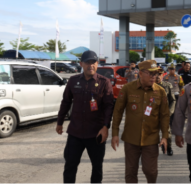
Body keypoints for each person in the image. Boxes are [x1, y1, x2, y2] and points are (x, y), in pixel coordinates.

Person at [56, 50, 114, 183]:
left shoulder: (104, 82)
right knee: (70, 166)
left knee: (97, 168)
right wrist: (59, 122)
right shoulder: (73, 80)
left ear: (97, 64)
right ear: (81, 64)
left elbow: (108, 106)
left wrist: (105, 127)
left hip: (96, 133)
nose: (91, 65)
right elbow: (66, 102)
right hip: (75, 133)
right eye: (87, 62)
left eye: (93, 62)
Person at [111, 60, 170, 183]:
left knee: (150, 171)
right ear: (140, 73)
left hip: (151, 138)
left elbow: (164, 115)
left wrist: (165, 136)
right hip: (131, 138)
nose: (154, 77)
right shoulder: (128, 89)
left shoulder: (160, 91)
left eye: (156, 74)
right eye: (151, 74)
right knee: (131, 172)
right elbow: (118, 112)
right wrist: (115, 134)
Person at [156, 67, 176, 156]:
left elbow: (173, 100)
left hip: (164, 113)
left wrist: (170, 112)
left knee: (167, 132)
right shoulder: (149, 86)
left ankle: (168, 147)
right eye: (155, 74)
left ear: (163, 75)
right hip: (152, 114)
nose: (157, 76)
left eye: (159, 74)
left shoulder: (167, 85)